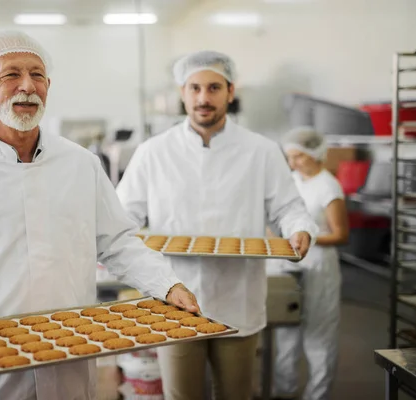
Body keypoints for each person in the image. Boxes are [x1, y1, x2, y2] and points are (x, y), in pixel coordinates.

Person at [0, 30, 200, 400]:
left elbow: (118, 244)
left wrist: (167, 285)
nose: (27, 86)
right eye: (11, 75)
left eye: (38, 75)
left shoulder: (80, 165)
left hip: (69, 360)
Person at [115, 50, 318, 400]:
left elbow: (289, 207)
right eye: (194, 88)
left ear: (230, 90)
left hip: (238, 299)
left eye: (213, 88)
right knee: (182, 396)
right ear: (182, 92)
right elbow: (122, 219)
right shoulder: (153, 152)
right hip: (173, 300)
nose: (203, 98)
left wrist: (299, 228)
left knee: (236, 395)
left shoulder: (261, 151)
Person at [270, 126, 349, 400]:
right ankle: (284, 392)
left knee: (318, 336)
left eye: (299, 157)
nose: (293, 163)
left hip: (319, 268)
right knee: (286, 332)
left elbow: (341, 234)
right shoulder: (293, 180)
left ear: (315, 154)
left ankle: (317, 395)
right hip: (290, 267)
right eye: (289, 157)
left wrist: (306, 239)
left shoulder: (328, 186)